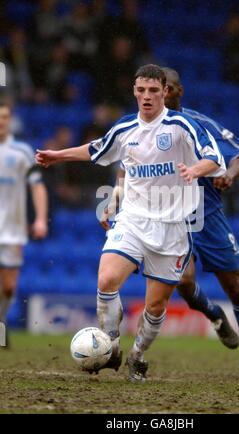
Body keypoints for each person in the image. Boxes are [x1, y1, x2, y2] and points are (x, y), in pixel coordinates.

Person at [36, 64, 226, 383]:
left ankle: (137, 355)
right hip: (133, 220)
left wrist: (196, 171)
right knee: (107, 279)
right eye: (141, 90)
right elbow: (96, 149)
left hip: (173, 228)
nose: (147, 96)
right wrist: (58, 155)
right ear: (134, 92)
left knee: (155, 306)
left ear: (164, 91)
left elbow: (215, 159)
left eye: (154, 90)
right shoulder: (126, 129)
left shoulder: (182, 125)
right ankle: (110, 344)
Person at [102, 67, 239, 378]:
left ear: (178, 91)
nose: (159, 95)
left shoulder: (199, 123)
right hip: (168, 217)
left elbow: (238, 157)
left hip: (207, 216)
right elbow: (125, 166)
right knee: (183, 280)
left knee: (235, 287)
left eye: (167, 89)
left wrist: (228, 176)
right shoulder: (139, 126)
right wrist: (115, 196)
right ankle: (213, 314)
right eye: (153, 90)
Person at [0, 103, 48, 342]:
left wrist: (40, 219)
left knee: (8, 287)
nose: (1, 121)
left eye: (5, 117)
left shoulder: (21, 152)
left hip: (12, 229)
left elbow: (37, 186)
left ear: (10, 120)